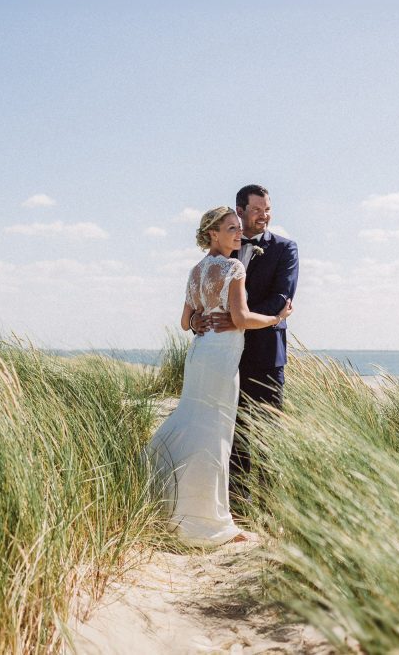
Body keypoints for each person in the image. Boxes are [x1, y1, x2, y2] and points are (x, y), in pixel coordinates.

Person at [147, 206, 293, 547]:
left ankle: (181, 504)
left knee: (194, 421)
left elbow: (186, 322)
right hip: (222, 358)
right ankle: (210, 521)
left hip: (200, 354)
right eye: (230, 228)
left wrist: (200, 321)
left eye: (238, 228)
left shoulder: (196, 270)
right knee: (215, 435)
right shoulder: (233, 266)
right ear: (212, 233)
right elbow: (240, 318)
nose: (238, 234)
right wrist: (276, 318)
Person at [192, 185, 299, 505]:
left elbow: (282, 297)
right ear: (240, 210)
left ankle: (266, 506)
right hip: (225, 355)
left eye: (267, 209)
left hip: (267, 355)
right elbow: (205, 297)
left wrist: (240, 320)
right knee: (230, 430)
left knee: (267, 431)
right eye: (257, 210)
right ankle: (236, 503)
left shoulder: (285, 248)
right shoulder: (224, 248)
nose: (264, 215)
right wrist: (199, 320)